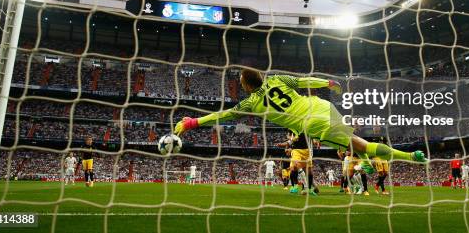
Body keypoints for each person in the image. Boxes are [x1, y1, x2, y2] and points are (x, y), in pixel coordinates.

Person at [175, 70, 426, 174]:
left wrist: (193, 122)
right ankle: (392, 158)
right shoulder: (277, 79)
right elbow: (305, 80)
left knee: (356, 145)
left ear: (247, 86)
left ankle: (402, 157)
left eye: (241, 82)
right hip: (322, 106)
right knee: (356, 144)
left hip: (311, 124)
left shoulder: (250, 102)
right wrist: (327, 83)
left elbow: (224, 115)